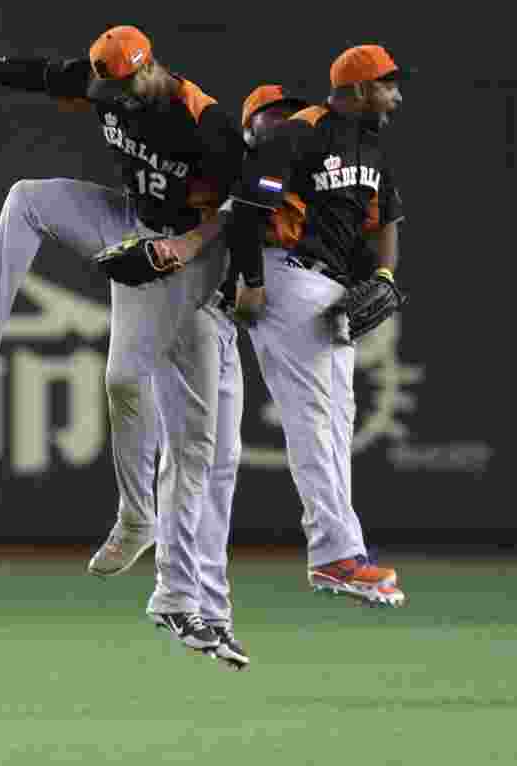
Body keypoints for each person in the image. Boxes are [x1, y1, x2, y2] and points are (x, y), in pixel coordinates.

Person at [0, 26, 252, 652]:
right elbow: (40, 73)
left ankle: (145, 528)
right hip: (129, 222)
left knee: (131, 386)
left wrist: (180, 250)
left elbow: (237, 213)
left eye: (130, 81)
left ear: (153, 66)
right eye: (111, 85)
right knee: (28, 198)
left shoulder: (205, 123)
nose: (120, 93)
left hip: (191, 253)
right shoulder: (107, 86)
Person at [172, 47, 411, 607]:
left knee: (333, 422)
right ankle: (336, 555)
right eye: (389, 85)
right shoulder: (298, 135)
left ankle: (339, 554)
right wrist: (252, 280)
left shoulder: (370, 147)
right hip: (288, 276)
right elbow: (248, 209)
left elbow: (388, 221)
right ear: (357, 88)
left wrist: (381, 274)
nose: (397, 96)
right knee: (315, 420)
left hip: (331, 291)